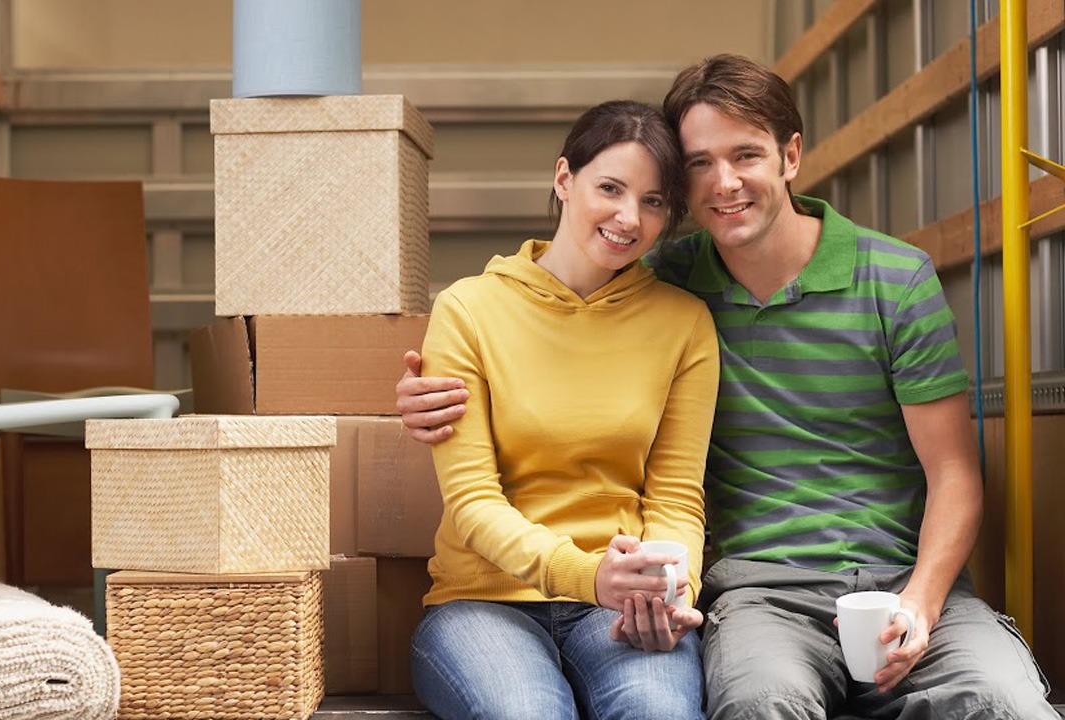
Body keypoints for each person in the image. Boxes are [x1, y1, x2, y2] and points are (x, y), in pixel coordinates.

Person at [398, 54, 1058, 719]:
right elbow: (550, 308)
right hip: (753, 595)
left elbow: (953, 475)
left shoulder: (879, 281)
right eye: (699, 165)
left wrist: (921, 599)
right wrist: (416, 394)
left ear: (790, 155)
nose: (724, 184)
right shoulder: (658, 282)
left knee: (1009, 705)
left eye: (745, 155)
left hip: (891, 582)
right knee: (749, 706)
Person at [408, 99, 720, 720]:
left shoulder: (684, 323)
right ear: (563, 179)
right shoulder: (469, 310)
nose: (629, 217)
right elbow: (472, 502)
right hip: (483, 604)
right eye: (610, 187)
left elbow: (677, 498)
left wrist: (668, 592)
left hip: (620, 606)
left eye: (654, 201)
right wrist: (584, 575)